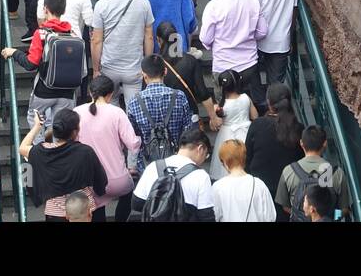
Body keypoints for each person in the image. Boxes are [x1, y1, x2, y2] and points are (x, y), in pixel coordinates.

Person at [1, 0, 84, 127]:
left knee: (34, 119)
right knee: (62, 126)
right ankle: (56, 147)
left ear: (45, 9)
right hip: (68, 92)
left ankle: (39, 147)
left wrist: (14, 53)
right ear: (63, 11)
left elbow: (31, 63)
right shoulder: (74, 34)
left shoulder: (41, 34)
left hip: (44, 90)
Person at [20, 108, 109, 222]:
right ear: (75, 131)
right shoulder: (85, 151)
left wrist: (37, 126)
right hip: (83, 211)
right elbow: (101, 181)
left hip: (54, 213)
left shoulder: (41, 152)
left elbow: (22, 147)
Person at [73, 75, 141, 220]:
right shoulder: (117, 113)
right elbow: (133, 144)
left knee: (96, 206)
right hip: (118, 179)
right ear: (110, 94)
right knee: (129, 191)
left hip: (90, 181)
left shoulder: (77, 112)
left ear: (91, 93)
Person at [90, 0, 154, 107]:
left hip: (109, 67)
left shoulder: (101, 5)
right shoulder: (142, 2)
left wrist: (96, 69)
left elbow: (96, 40)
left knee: (110, 107)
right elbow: (149, 36)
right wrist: (147, 64)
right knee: (135, 108)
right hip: (135, 67)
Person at [128, 124, 216, 222]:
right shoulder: (201, 176)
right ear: (200, 149)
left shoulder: (153, 167)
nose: (204, 160)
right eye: (206, 155)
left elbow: (137, 204)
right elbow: (207, 216)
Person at [244, 82, 303, 219]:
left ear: (269, 103)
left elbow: (247, 158)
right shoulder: (299, 128)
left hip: (261, 191)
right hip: (288, 194)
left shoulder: (258, 125)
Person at [278, 125, 351, 221]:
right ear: (325, 144)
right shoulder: (337, 173)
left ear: (301, 143)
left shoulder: (288, 171)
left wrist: (301, 217)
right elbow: (344, 209)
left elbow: (285, 206)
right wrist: (333, 217)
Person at [211, 138, 275, 222]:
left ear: (225, 162)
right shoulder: (259, 184)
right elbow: (270, 216)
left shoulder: (218, 187)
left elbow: (213, 216)